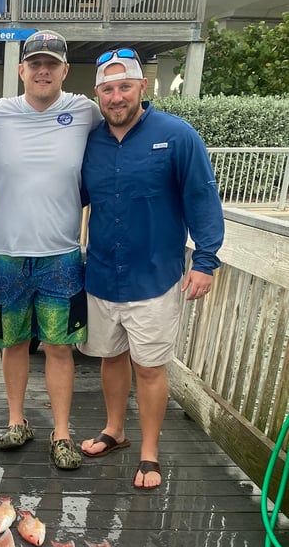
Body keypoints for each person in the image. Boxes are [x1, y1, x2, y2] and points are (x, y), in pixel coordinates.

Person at [79, 47, 224, 489]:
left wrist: (205, 260)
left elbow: (203, 199)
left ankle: (149, 452)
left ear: (143, 87)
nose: (116, 96)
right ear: (97, 94)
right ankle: (115, 430)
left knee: (150, 367)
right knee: (111, 357)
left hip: (156, 276)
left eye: (125, 87)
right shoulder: (91, 141)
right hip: (102, 272)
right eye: (108, 89)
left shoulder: (178, 136)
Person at [0, 30, 102, 469]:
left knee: (59, 347)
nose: (42, 70)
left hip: (62, 254)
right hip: (5, 253)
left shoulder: (84, 111)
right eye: (34, 63)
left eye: (51, 64)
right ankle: (18, 421)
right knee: (12, 344)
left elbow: (124, 123)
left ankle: (62, 432)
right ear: (21, 70)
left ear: (65, 71)